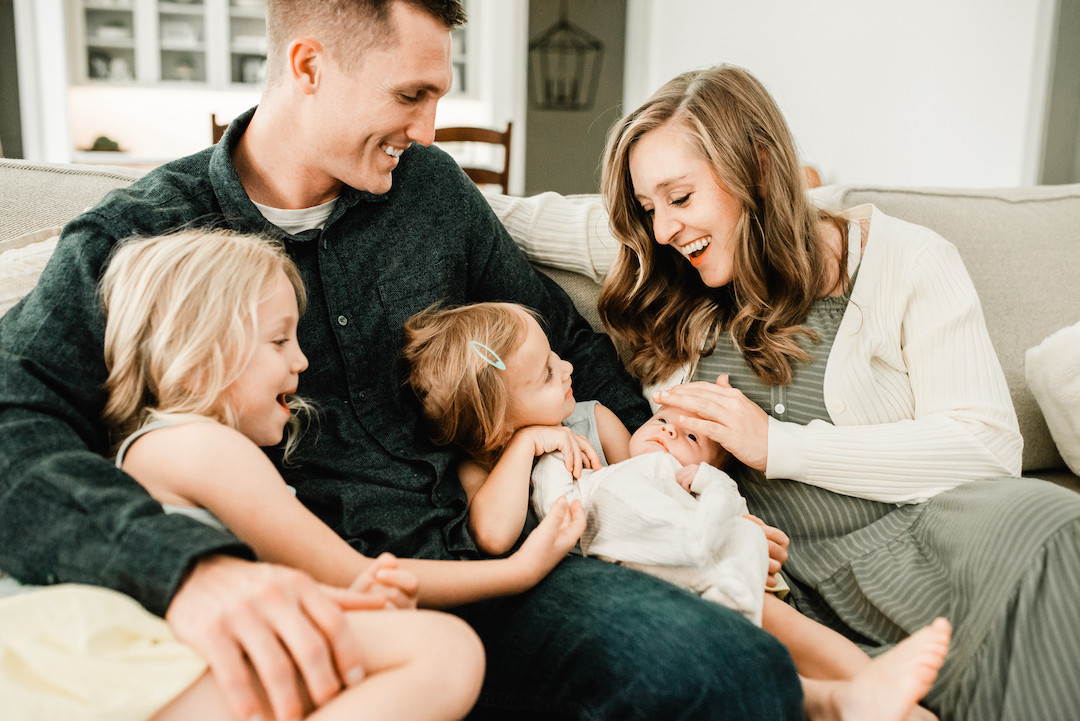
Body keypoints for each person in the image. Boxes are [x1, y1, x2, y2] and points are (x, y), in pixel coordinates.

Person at [0, 3, 805, 720]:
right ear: (308, 65)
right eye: (408, 96)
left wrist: (675, 485)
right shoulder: (147, 238)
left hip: (499, 561)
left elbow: (571, 351)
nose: (427, 129)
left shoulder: (431, 192)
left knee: (735, 675)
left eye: (437, 97)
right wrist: (186, 572)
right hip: (325, 602)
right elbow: (14, 421)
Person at [489, 64, 1080, 721]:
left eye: (680, 198)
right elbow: (500, 214)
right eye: (649, 207)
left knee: (1051, 526)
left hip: (938, 551)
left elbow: (989, 446)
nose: (662, 230)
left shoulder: (907, 259)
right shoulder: (661, 254)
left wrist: (775, 444)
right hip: (783, 587)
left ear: (759, 169)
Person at [404, 300, 953, 721]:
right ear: (498, 421)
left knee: (779, 617)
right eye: (547, 373)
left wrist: (730, 516)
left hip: (674, 546)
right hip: (625, 581)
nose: (568, 365)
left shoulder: (594, 421)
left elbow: (657, 478)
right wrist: (528, 445)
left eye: (555, 354)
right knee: (742, 628)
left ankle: (892, 699)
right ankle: (847, 701)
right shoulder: (489, 466)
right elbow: (495, 536)